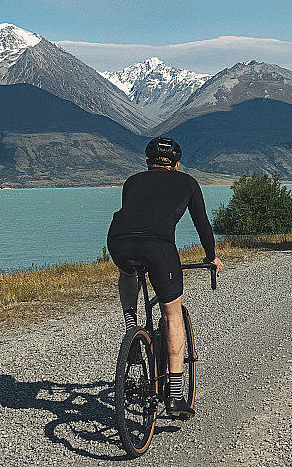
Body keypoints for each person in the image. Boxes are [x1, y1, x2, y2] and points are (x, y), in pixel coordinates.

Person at [107, 136, 223, 418]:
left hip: (118, 240)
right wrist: (211, 256)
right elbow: (202, 225)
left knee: (128, 271)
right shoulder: (188, 182)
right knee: (172, 316)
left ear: (147, 164)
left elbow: (136, 216)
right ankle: (174, 397)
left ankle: (131, 327)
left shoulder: (132, 182)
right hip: (158, 246)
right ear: (177, 163)